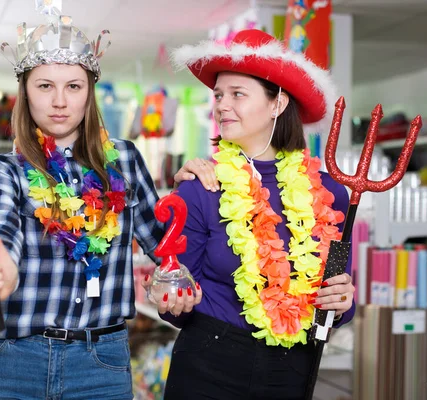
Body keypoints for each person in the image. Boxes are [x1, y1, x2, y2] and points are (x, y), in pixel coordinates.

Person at [0, 7, 206, 399]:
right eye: (45, 86)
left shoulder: (125, 159)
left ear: (89, 91)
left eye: (74, 87)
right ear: (25, 92)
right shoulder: (3, 168)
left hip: (101, 364)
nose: (60, 101)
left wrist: (192, 198)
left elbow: (166, 245)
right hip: (10, 362)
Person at [144, 29, 356, 399]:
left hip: (292, 367)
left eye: (238, 94)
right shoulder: (201, 188)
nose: (222, 105)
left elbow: (336, 296)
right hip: (209, 362)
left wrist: (343, 302)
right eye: (219, 95)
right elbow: (174, 300)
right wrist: (173, 298)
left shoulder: (330, 194)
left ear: (277, 104)